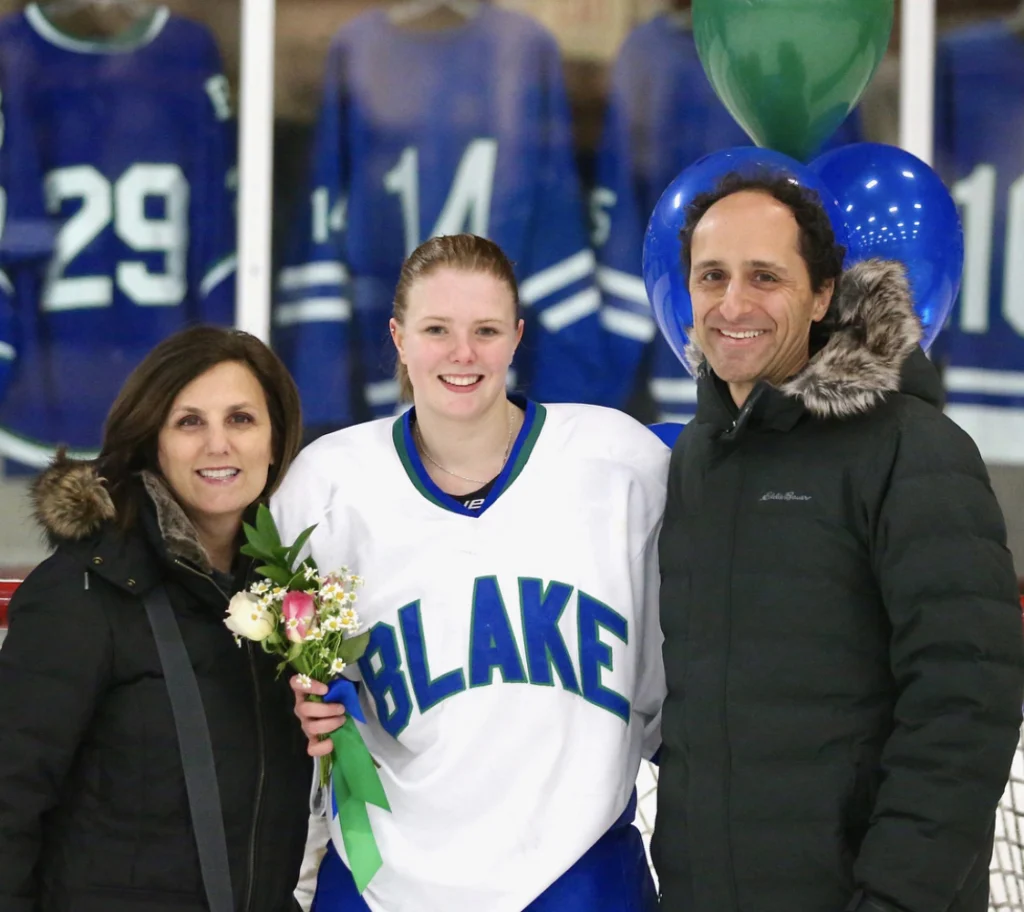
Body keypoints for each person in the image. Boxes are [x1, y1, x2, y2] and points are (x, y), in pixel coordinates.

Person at [654, 171, 1024, 912]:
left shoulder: (912, 448)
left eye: (766, 276)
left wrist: (894, 897)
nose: (733, 304)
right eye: (711, 276)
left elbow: (966, 703)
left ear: (823, 293)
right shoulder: (696, 457)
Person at [272, 233, 669, 912]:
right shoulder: (326, 485)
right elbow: (284, 686)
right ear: (398, 338)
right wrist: (296, 702)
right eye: (436, 330)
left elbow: (674, 680)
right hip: (382, 879)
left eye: (485, 330)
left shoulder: (621, 464)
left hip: (576, 874)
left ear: (516, 337)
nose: (463, 354)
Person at [0, 326, 314, 912]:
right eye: (189, 422)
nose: (218, 444)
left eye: (241, 419)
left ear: (275, 441)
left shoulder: (286, 594)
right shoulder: (83, 589)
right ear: (153, 442)